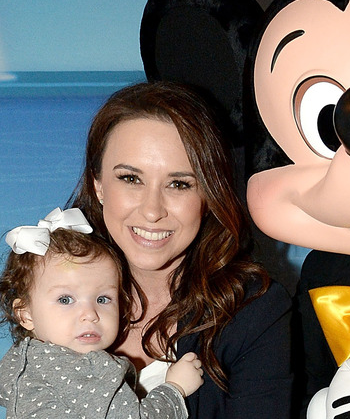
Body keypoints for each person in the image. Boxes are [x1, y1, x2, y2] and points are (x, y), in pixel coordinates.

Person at [67, 82, 293, 418]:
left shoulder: (254, 312)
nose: (152, 210)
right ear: (98, 185)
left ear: (208, 196)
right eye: (131, 179)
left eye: (179, 184)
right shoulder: (57, 285)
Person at [0, 207, 203, 419]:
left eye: (102, 299)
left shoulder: (19, 362)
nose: (90, 314)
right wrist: (175, 388)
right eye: (65, 300)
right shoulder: (86, 369)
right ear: (25, 314)